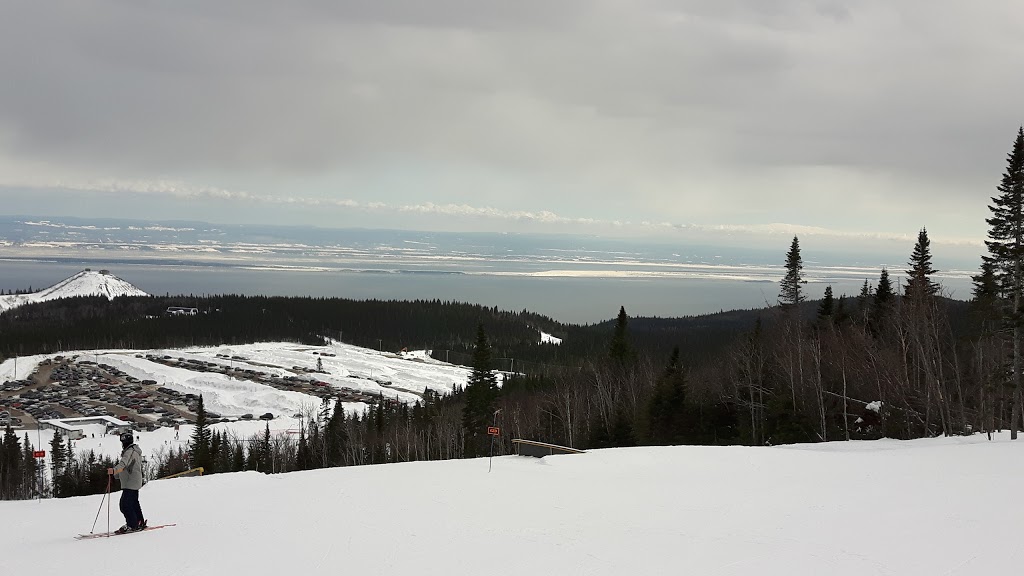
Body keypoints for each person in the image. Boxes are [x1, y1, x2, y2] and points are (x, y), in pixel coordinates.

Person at [107, 432, 147, 534]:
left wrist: (113, 470)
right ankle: (139, 522)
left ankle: (132, 525)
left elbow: (123, 464)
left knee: (125, 504)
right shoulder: (132, 451)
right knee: (133, 503)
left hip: (131, 482)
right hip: (132, 481)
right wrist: (115, 475)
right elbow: (127, 467)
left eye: (122, 442)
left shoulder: (130, 452)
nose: (122, 444)